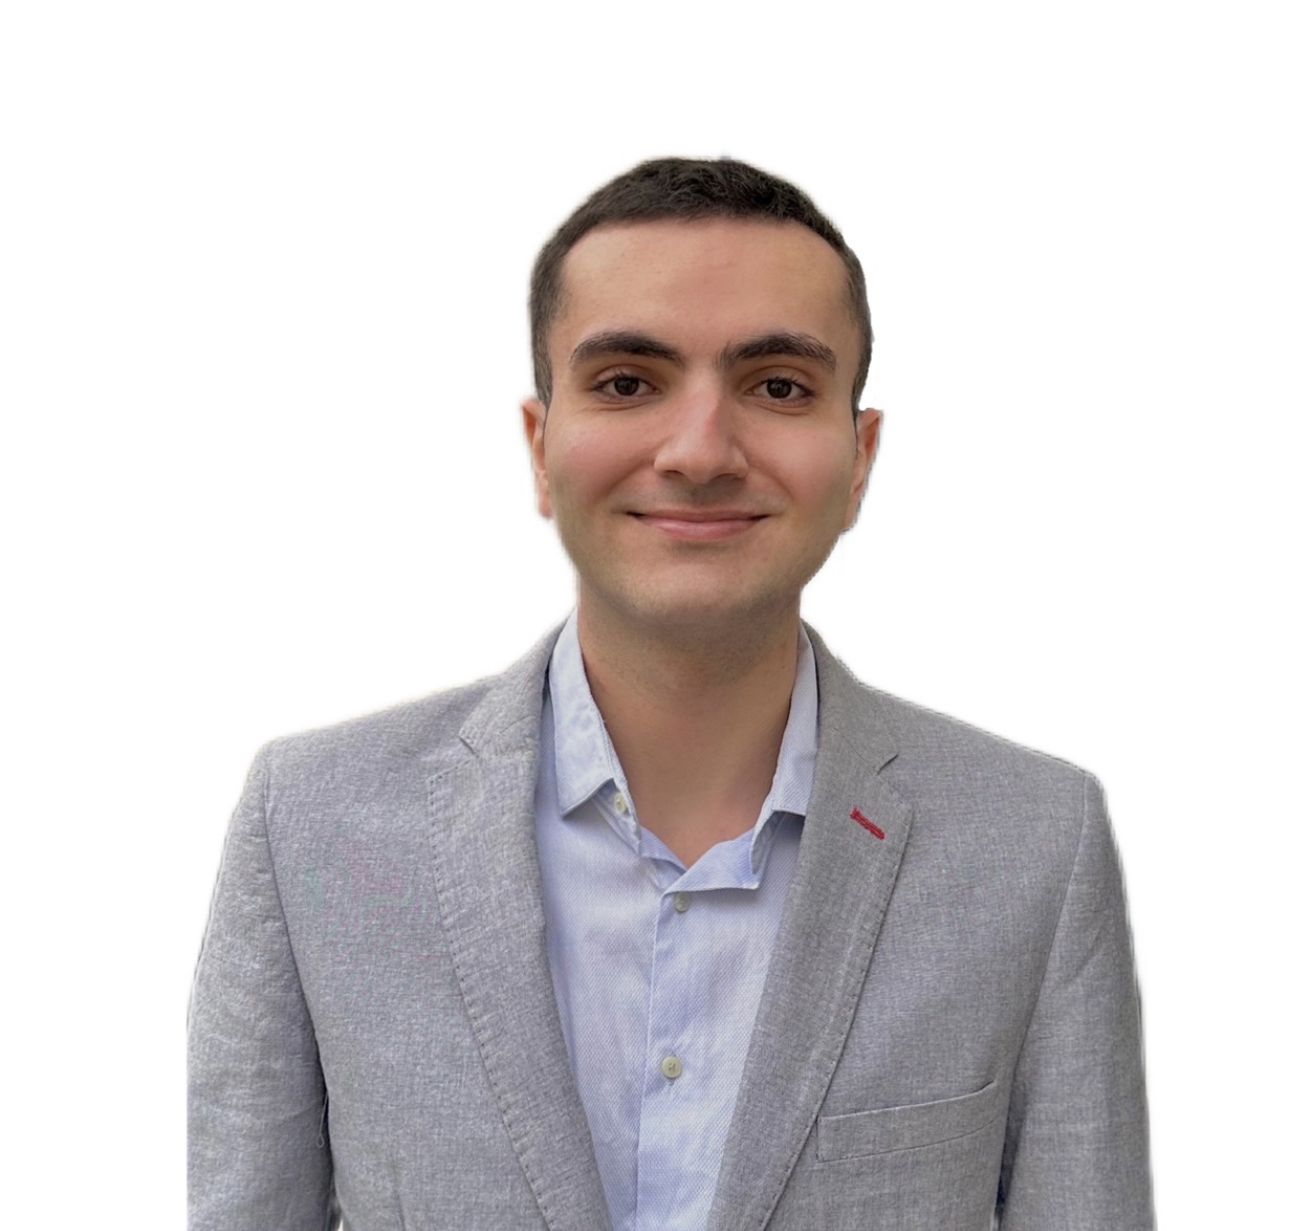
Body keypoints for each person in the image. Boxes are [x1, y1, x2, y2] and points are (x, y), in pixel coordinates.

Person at [188, 156, 1154, 1230]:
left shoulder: (1033, 842)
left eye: (778, 386)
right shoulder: (312, 826)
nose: (699, 452)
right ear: (541, 446)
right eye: (626, 383)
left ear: (860, 456)